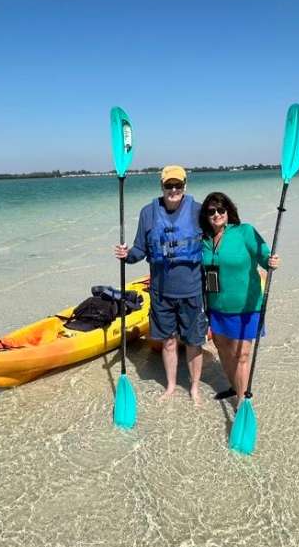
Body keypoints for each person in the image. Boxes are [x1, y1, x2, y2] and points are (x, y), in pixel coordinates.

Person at [114, 166, 208, 404]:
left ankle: (195, 388)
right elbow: (139, 250)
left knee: (194, 343)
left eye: (178, 185)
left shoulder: (199, 211)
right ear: (162, 187)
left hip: (193, 290)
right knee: (167, 341)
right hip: (161, 293)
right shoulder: (148, 213)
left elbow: (218, 239)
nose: (173, 189)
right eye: (169, 185)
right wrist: (127, 255)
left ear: (185, 186)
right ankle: (171, 386)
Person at [199, 192, 280, 404]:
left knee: (242, 356)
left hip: (246, 306)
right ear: (205, 216)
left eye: (221, 210)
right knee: (223, 350)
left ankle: (244, 402)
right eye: (211, 211)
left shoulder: (244, 232)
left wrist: (270, 260)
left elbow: (264, 255)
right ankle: (236, 387)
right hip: (216, 307)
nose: (216, 214)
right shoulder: (204, 241)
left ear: (229, 211)